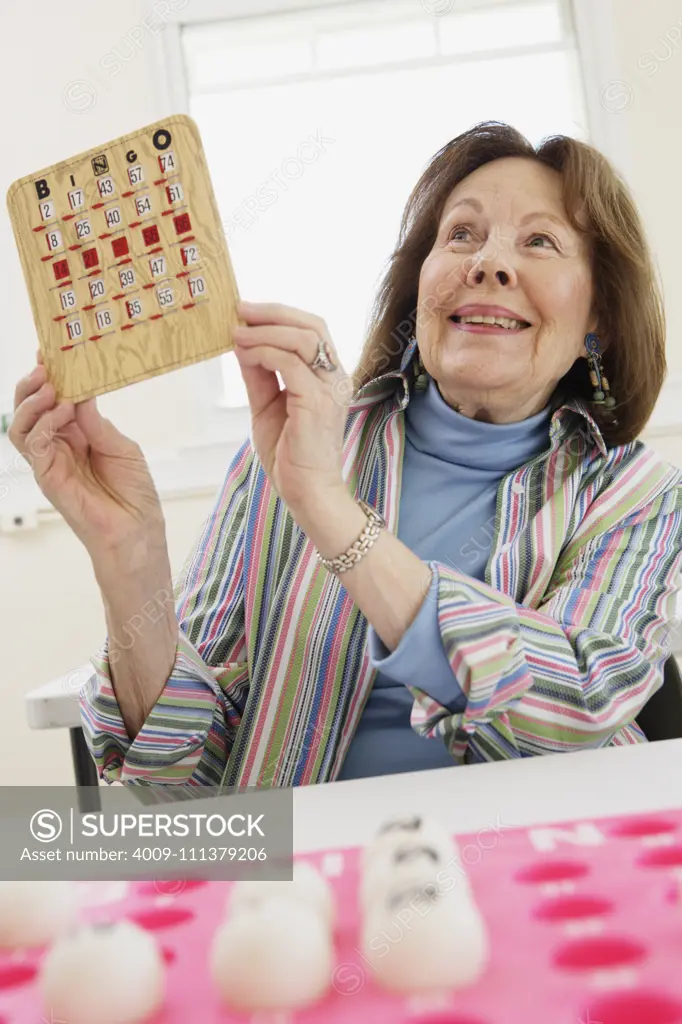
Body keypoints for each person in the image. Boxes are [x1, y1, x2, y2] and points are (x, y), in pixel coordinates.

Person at [10, 121, 682, 788]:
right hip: (302, 872)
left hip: (541, 863)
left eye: (539, 241)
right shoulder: (286, 449)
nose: (489, 263)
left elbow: (581, 706)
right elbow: (184, 781)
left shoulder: (632, 491)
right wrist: (130, 555)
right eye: (461, 235)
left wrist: (329, 508)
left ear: (600, 316)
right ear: (420, 288)